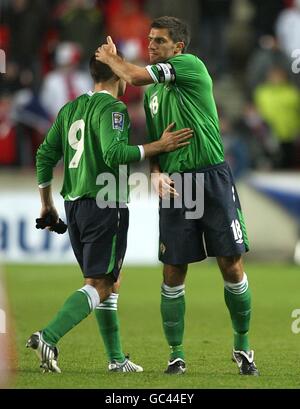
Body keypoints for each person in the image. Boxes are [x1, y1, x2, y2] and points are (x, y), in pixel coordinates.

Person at [95, 16, 259, 376]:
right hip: (176, 186)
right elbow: (157, 142)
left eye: (159, 41)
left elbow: (134, 76)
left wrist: (110, 59)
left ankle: (243, 347)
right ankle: (177, 354)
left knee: (231, 264)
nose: (151, 46)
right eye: (150, 40)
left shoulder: (190, 66)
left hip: (212, 179)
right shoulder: (153, 94)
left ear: (178, 48)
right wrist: (155, 176)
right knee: (173, 271)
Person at [26, 51, 193, 373]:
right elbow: (114, 153)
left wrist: (46, 203)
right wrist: (157, 146)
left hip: (74, 205)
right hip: (105, 204)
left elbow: (45, 155)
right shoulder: (114, 108)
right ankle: (48, 336)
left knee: (106, 282)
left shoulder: (71, 107)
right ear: (117, 74)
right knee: (101, 284)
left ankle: (116, 360)